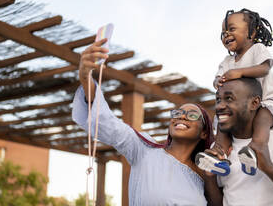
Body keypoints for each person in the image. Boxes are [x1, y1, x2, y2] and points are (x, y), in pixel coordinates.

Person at [72, 39, 215, 206]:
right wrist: (84, 77)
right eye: (177, 113)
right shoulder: (145, 151)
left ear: (204, 132)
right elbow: (107, 123)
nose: (181, 117)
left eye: (191, 115)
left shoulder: (206, 177)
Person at [197, 8, 273, 175]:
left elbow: (265, 68)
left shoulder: (257, 49)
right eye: (223, 32)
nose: (226, 34)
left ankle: (256, 149)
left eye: (231, 29)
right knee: (223, 123)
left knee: (262, 119)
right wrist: (217, 81)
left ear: (251, 33)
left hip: (267, 101)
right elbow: (217, 78)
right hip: (239, 110)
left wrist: (240, 72)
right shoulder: (227, 61)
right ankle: (219, 155)